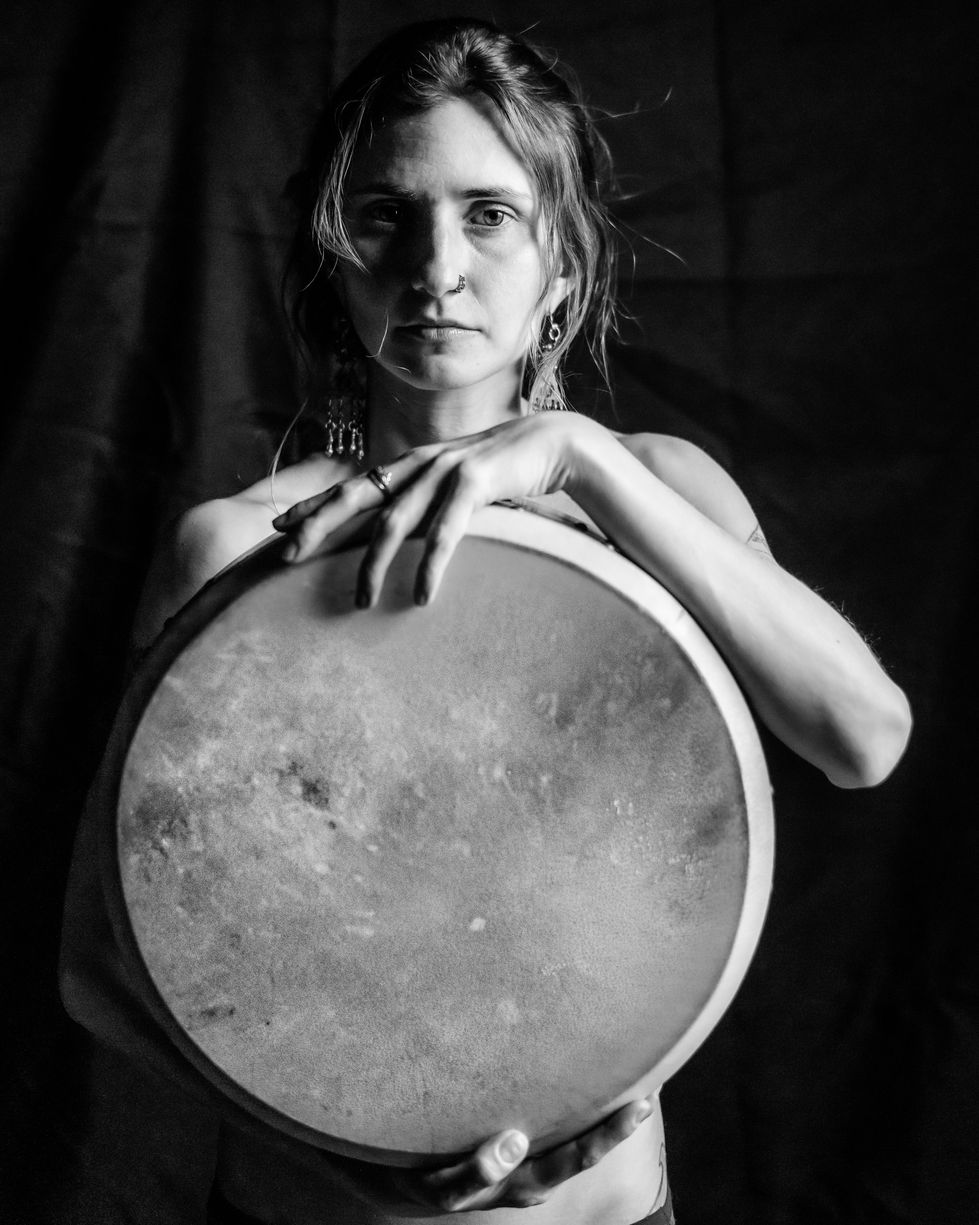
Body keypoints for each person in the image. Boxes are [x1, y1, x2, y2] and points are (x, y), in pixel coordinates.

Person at [60, 17, 912, 1225]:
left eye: (489, 213)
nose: (436, 267)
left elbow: (861, 734)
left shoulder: (654, 491)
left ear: (563, 262)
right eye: (385, 217)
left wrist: (585, 461)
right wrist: (356, 1169)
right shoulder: (244, 547)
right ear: (330, 261)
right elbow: (101, 968)